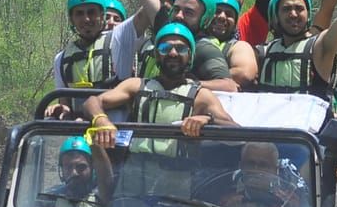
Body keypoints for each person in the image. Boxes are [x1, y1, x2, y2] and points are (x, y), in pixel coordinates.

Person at [82, 23, 238, 146]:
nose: (173, 53)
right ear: (156, 54)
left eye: (181, 48)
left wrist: (208, 121)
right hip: (134, 178)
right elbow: (92, 102)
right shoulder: (135, 86)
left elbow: (236, 132)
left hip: (177, 182)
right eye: (165, 48)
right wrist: (101, 119)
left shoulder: (202, 96)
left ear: (190, 56)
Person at [159, 0, 238, 92]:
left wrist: (187, 84)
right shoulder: (164, 35)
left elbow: (230, 86)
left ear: (205, 20)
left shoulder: (203, 47)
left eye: (188, 13)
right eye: (176, 9)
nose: (179, 16)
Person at [217, 142, 308, 207]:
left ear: (275, 170)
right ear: (241, 167)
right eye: (250, 164)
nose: (256, 170)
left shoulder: (290, 201)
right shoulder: (227, 201)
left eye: (263, 165)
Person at [44, 135, 115, 207]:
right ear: (61, 169)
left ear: (92, 168)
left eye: (81, 167)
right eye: (68, 167)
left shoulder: (101, 197)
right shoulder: (51, 200)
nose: (74, 173)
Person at [208, 0, 258, 89]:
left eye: (229, 14)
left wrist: (197, 81)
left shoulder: (239, 46)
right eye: (217, 11)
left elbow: (245, 74)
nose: (222, 16)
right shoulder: (193, 40)